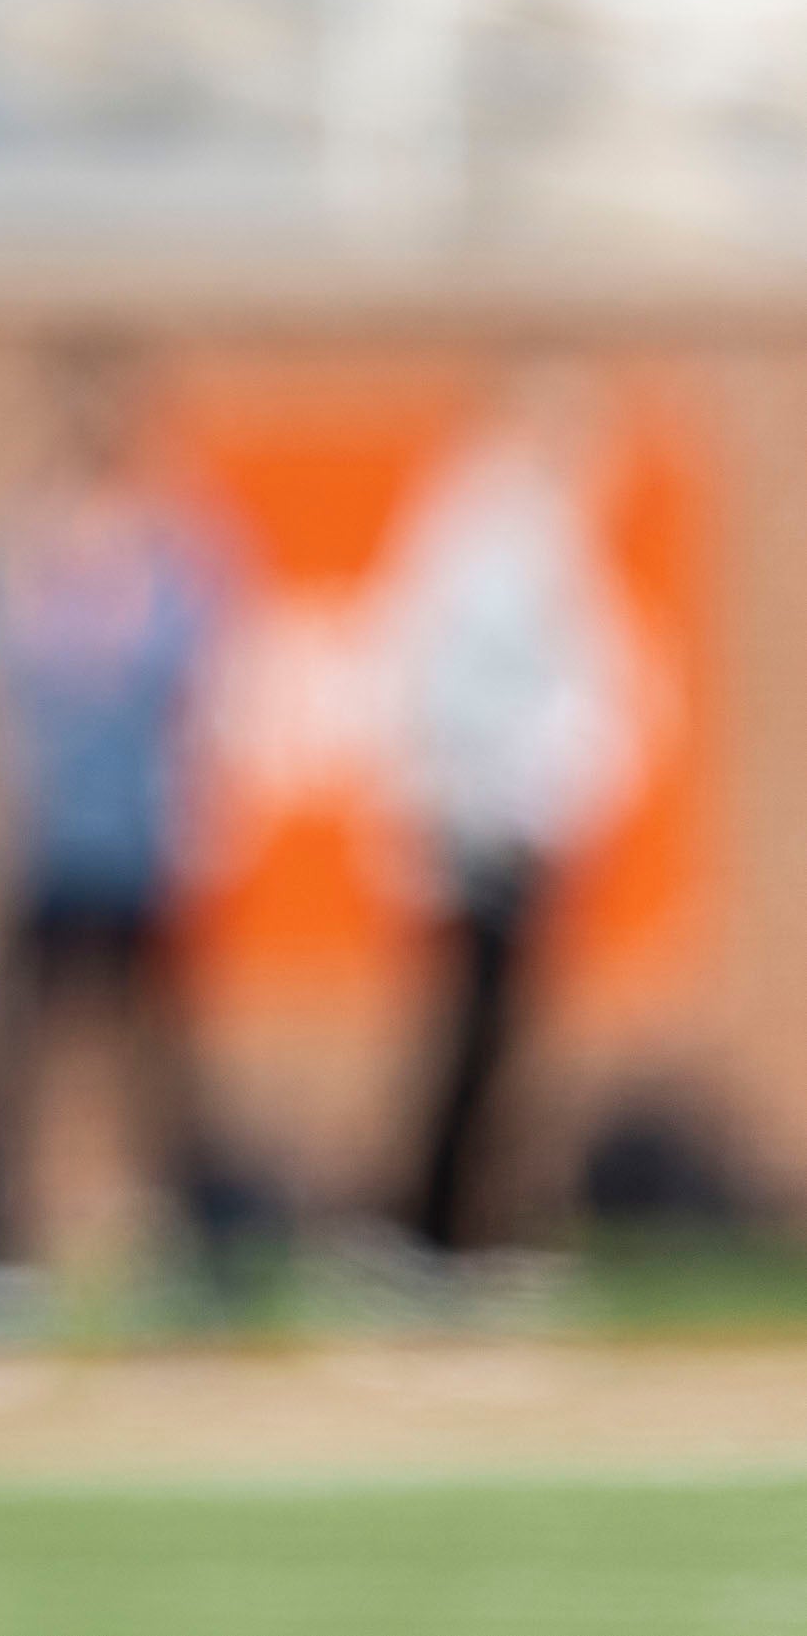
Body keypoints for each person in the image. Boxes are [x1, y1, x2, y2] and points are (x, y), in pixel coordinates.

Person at [0, 343, 251, 1288]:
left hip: (140, 843)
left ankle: (204, 1249)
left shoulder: (172, 542)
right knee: (7, 1054)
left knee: (164, 1063)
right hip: (44, 844)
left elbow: (207, 683)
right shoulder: (19, 545)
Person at [373, 359, 637, 1253]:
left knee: (502, 1039)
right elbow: (445, 687)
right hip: (474, 826)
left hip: (524, 829)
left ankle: (474, 1227)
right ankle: (429, 1228)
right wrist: (462, 801)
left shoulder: (556, 530)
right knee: (468, 1034)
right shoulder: (480, 528)